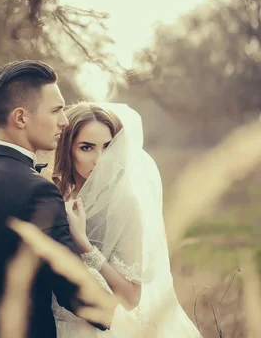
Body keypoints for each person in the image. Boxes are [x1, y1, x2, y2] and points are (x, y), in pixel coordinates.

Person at [0, 61, 113, 338]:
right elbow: (76, 295)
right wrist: (123, 313)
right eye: (55, 110)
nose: (64, 120)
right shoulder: (38, 191)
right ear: (20, 118)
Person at [51, 102, 202, 337]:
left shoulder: (123, 205)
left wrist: (84, 245)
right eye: (87, 147)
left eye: (108, 147)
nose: (100, 160)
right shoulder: (54, 196)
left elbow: (131, 297)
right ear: (66, 149)